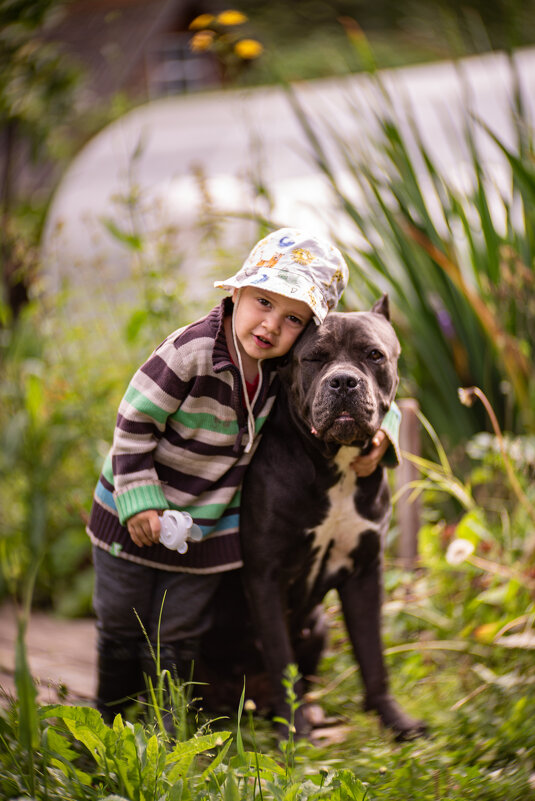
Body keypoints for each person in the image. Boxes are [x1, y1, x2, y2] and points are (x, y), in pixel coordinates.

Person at [87, 227, 401, 723]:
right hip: (130, 513)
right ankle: (109, 718)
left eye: (292, 318)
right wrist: (138, 496)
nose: (272, 325)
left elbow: (380, 395)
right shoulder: (196, 352)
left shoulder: (274, 366)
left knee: (178, 631)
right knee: (122, 622)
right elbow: (133, 420)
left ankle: (168, 720)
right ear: (235, 293)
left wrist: (385, 434)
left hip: (199, 527)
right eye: (262, 303)